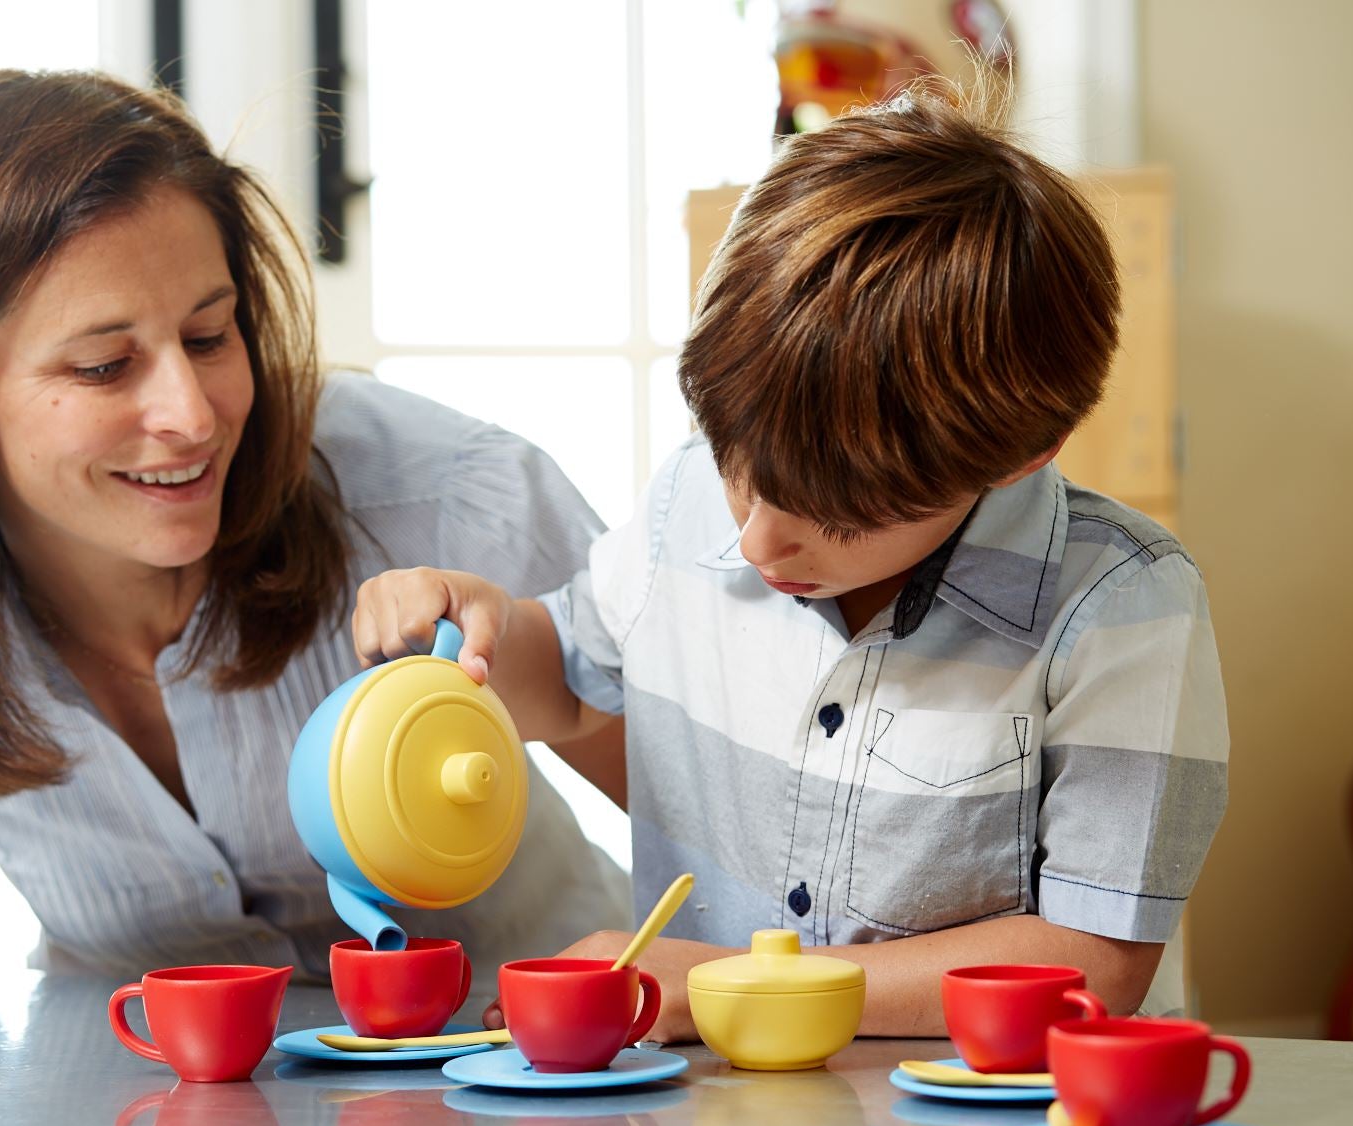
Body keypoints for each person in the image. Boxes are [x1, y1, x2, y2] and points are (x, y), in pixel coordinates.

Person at [352, 81, 1228, 1040]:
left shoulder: (1123, 606)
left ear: (1025, 453)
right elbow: (559, 685)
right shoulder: (685, 499)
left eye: (839, 514)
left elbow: (1095, 963)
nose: (761, 538)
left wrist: (743, 986)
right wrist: (475, 621)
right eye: (738, 465)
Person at [0, 69, 626, 981]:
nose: (192, 416)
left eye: (208, 337)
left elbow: (712, 801)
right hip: (148, 1117)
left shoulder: (434, 496)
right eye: (106, 366)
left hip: (544, 1091)